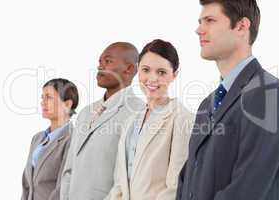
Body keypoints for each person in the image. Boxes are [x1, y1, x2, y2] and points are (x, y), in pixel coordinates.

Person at [176, 1, 279, 200]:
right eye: (200, 21)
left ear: (241, 26)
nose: (198, 30)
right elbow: (188, 179)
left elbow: (248, 189)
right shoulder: (206, 105)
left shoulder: (269, 93)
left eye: (210, 20)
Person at [106, 39, 193, 200]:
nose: (152, 79)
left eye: (161, 72)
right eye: (146, 70)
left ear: (174, 75)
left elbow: (175, 187)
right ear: (138, 70)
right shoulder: (131, 121)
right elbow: (120, 182)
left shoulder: (182, 118)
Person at [60, 42, 145, 200]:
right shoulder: (86, 113)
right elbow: (69, 168)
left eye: (108, 61)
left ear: (130, 69)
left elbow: (131, 176)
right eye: (100, 62)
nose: (100, 66)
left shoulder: (139, 111)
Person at [21, 78, 79, 200]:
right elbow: (26, 184)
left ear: (67, 104)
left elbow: (63, 187)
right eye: (42, 97)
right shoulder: (37, 138)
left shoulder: (73, 139)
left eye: (49, 97)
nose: (43, 102)